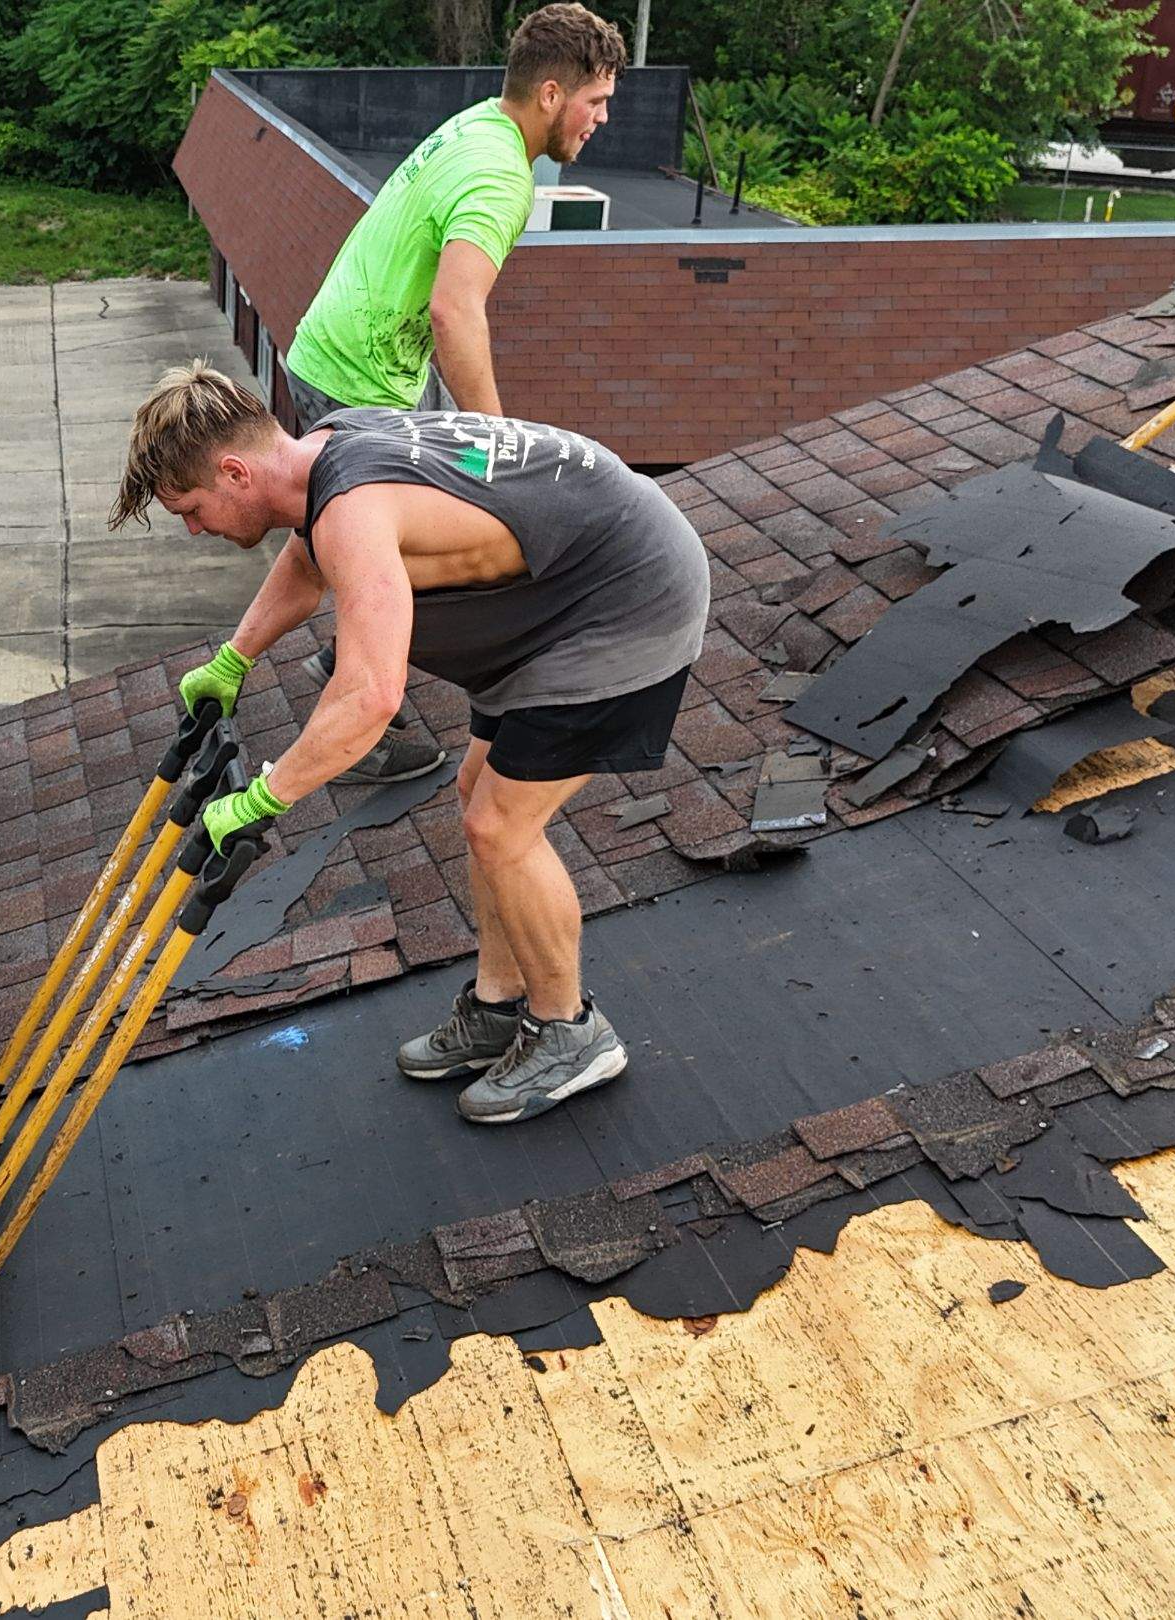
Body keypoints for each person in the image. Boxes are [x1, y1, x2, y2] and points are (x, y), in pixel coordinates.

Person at [115, 364, 707, 1125]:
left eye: (191, 509)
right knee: (476, 797)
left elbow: (370, 695)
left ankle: (571, 1031)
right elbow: (305, 563)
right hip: (564, 594)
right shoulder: (330, 449)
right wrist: (235, 658)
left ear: (234, 471)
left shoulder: (352, 509)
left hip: (626, 601)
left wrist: (264, 797)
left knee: (501, 824)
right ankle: (501, 1007)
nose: (194, 529)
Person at [277, 2, 630, 785]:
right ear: (549, 95)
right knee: (428, 527)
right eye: (596, 100)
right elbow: (453, 309)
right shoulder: (502, 175)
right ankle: (361, 722)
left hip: (363, 353)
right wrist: (503, 446)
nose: (604, 117)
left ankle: (348, 649)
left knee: (428, 510)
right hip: (357, 377)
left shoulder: (483, 122)